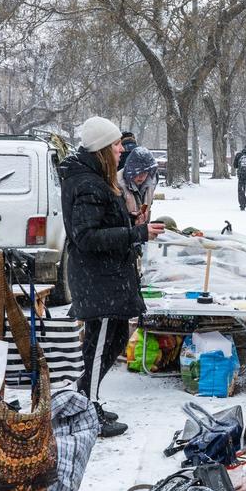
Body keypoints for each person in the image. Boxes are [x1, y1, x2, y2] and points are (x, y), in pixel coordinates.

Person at [60, 116, 165, 438]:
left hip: (107, 276)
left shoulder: (94, 178)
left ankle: (83, 397)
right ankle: (87, 409)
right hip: (99, 278)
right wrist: (136, 233)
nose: (122, 149)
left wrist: (128, 220)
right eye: (117, 144)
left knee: (116, 338)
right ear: (103, 148)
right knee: (100, 345)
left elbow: (100, 222)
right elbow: (86, 236)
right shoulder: (89, 183)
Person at [117, 146, 159, 223]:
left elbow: (146, 204)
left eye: (145, 172)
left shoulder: (150, 184)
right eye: (138, 172)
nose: (141, 176)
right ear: (130, 170)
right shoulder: (117, 184)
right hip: (123, 228)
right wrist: (132, 220)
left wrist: (143, 214)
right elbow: (113, 217)